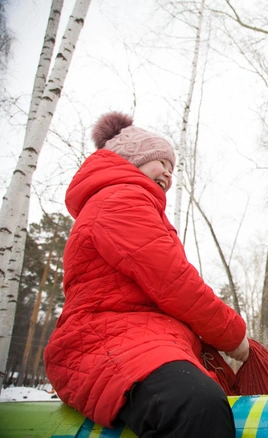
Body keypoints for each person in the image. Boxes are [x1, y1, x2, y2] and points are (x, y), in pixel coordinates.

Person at [44, 112, 249, 437]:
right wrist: (232, 334)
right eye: (160, 162)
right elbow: (174, 282)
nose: (169, 172)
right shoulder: (120, 200)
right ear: (129, 161)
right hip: (108, 340)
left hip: (140, 338)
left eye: (172, 167)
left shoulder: (133, 204)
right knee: (194, 404)